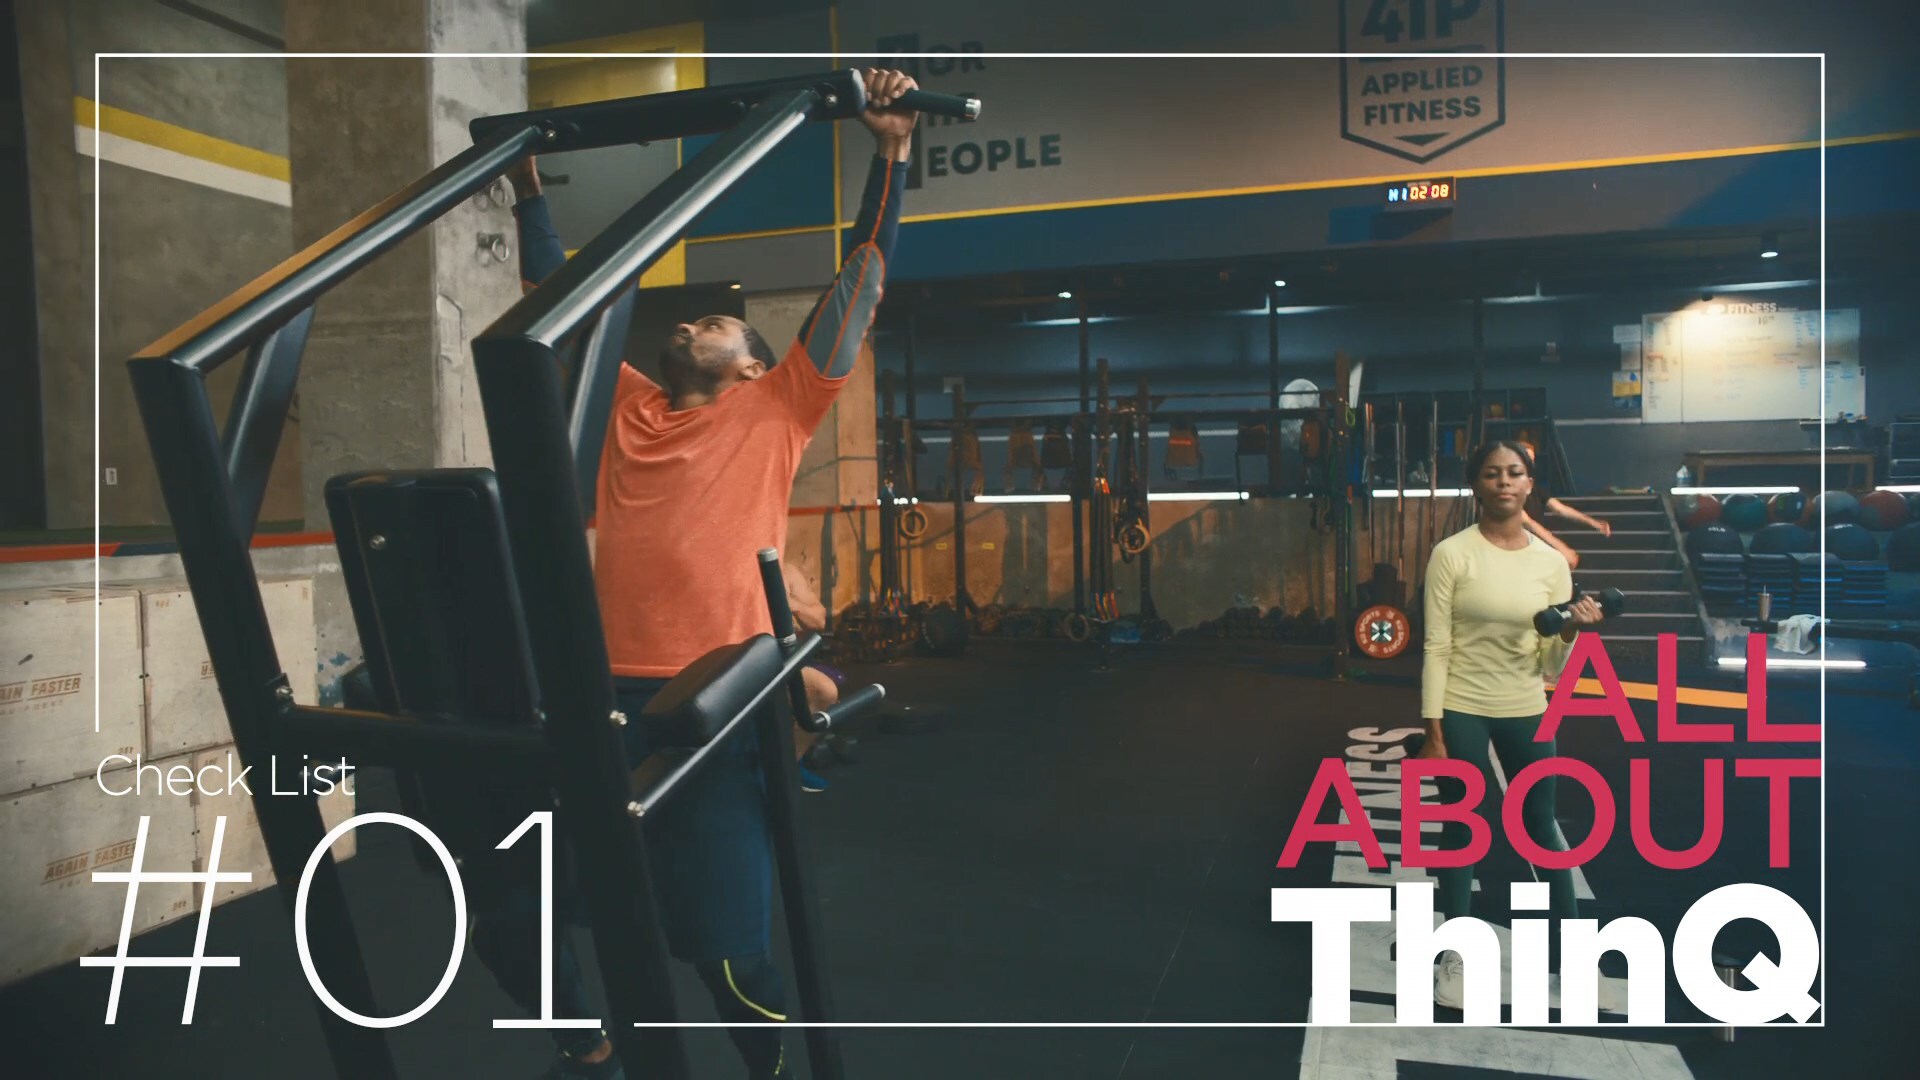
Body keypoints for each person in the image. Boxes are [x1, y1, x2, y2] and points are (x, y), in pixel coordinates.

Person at [476, 68, 920, 1080]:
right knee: (506, 908)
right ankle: (584, 1042)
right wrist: (533, 188)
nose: (690, 324)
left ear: (759, 365)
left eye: (717, 327)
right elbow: (564, 298)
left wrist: (889, 152)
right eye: (688, 325)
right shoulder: (628, 405)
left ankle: (761, 1067)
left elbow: (863, 276)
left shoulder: (781, 408)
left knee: (726, 952)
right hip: (599, 700)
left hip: (717, 707)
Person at [1416, 440, 1607, 1010]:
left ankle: (1571, 960)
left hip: (1526, 703)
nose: (1504, 482)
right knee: (1463, 829)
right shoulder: (1451, 554)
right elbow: (1435, 646)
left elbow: (1550, 664)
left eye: (1515, 473)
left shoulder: (1551, 564)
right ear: (1476, 486)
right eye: (1493, 474)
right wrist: (1433, 730)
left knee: (1541, 826)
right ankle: (1453, 959)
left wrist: (1573, 633)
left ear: (1529, 486)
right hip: (1461, 703)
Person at [1516, 446, 1611, 568]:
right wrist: (1562, 549)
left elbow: (1560, 509)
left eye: (1532, 460)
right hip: (1519, 548)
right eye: (1527, 459)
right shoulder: (1511, 493)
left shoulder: (1535, 489)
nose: (1530, 464)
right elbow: (1528, 523)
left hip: (1534, 545)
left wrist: (1593, 522)